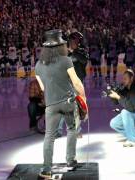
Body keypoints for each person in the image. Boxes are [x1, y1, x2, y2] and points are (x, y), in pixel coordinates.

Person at [35, 29, 86, 179]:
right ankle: (70, 161)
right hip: (68, 102)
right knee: (71, 129)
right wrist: (83, 98)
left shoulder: (38, 65)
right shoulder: (66, 60)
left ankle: (46, 169)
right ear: (60, 46)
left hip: (51, 105)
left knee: (49, 136)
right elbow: (76, 82)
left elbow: (43, 88)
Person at [108, 69, 135, 147]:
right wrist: (113, 95)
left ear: (131, 78)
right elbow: (116, 102)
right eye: (123, 78)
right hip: (134, 113)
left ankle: (134, 140)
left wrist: (118, 96)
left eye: (125, 78)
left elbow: (131, 107)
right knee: (114, 123)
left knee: (125, 112)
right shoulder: (126, 88)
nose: (123, 80)